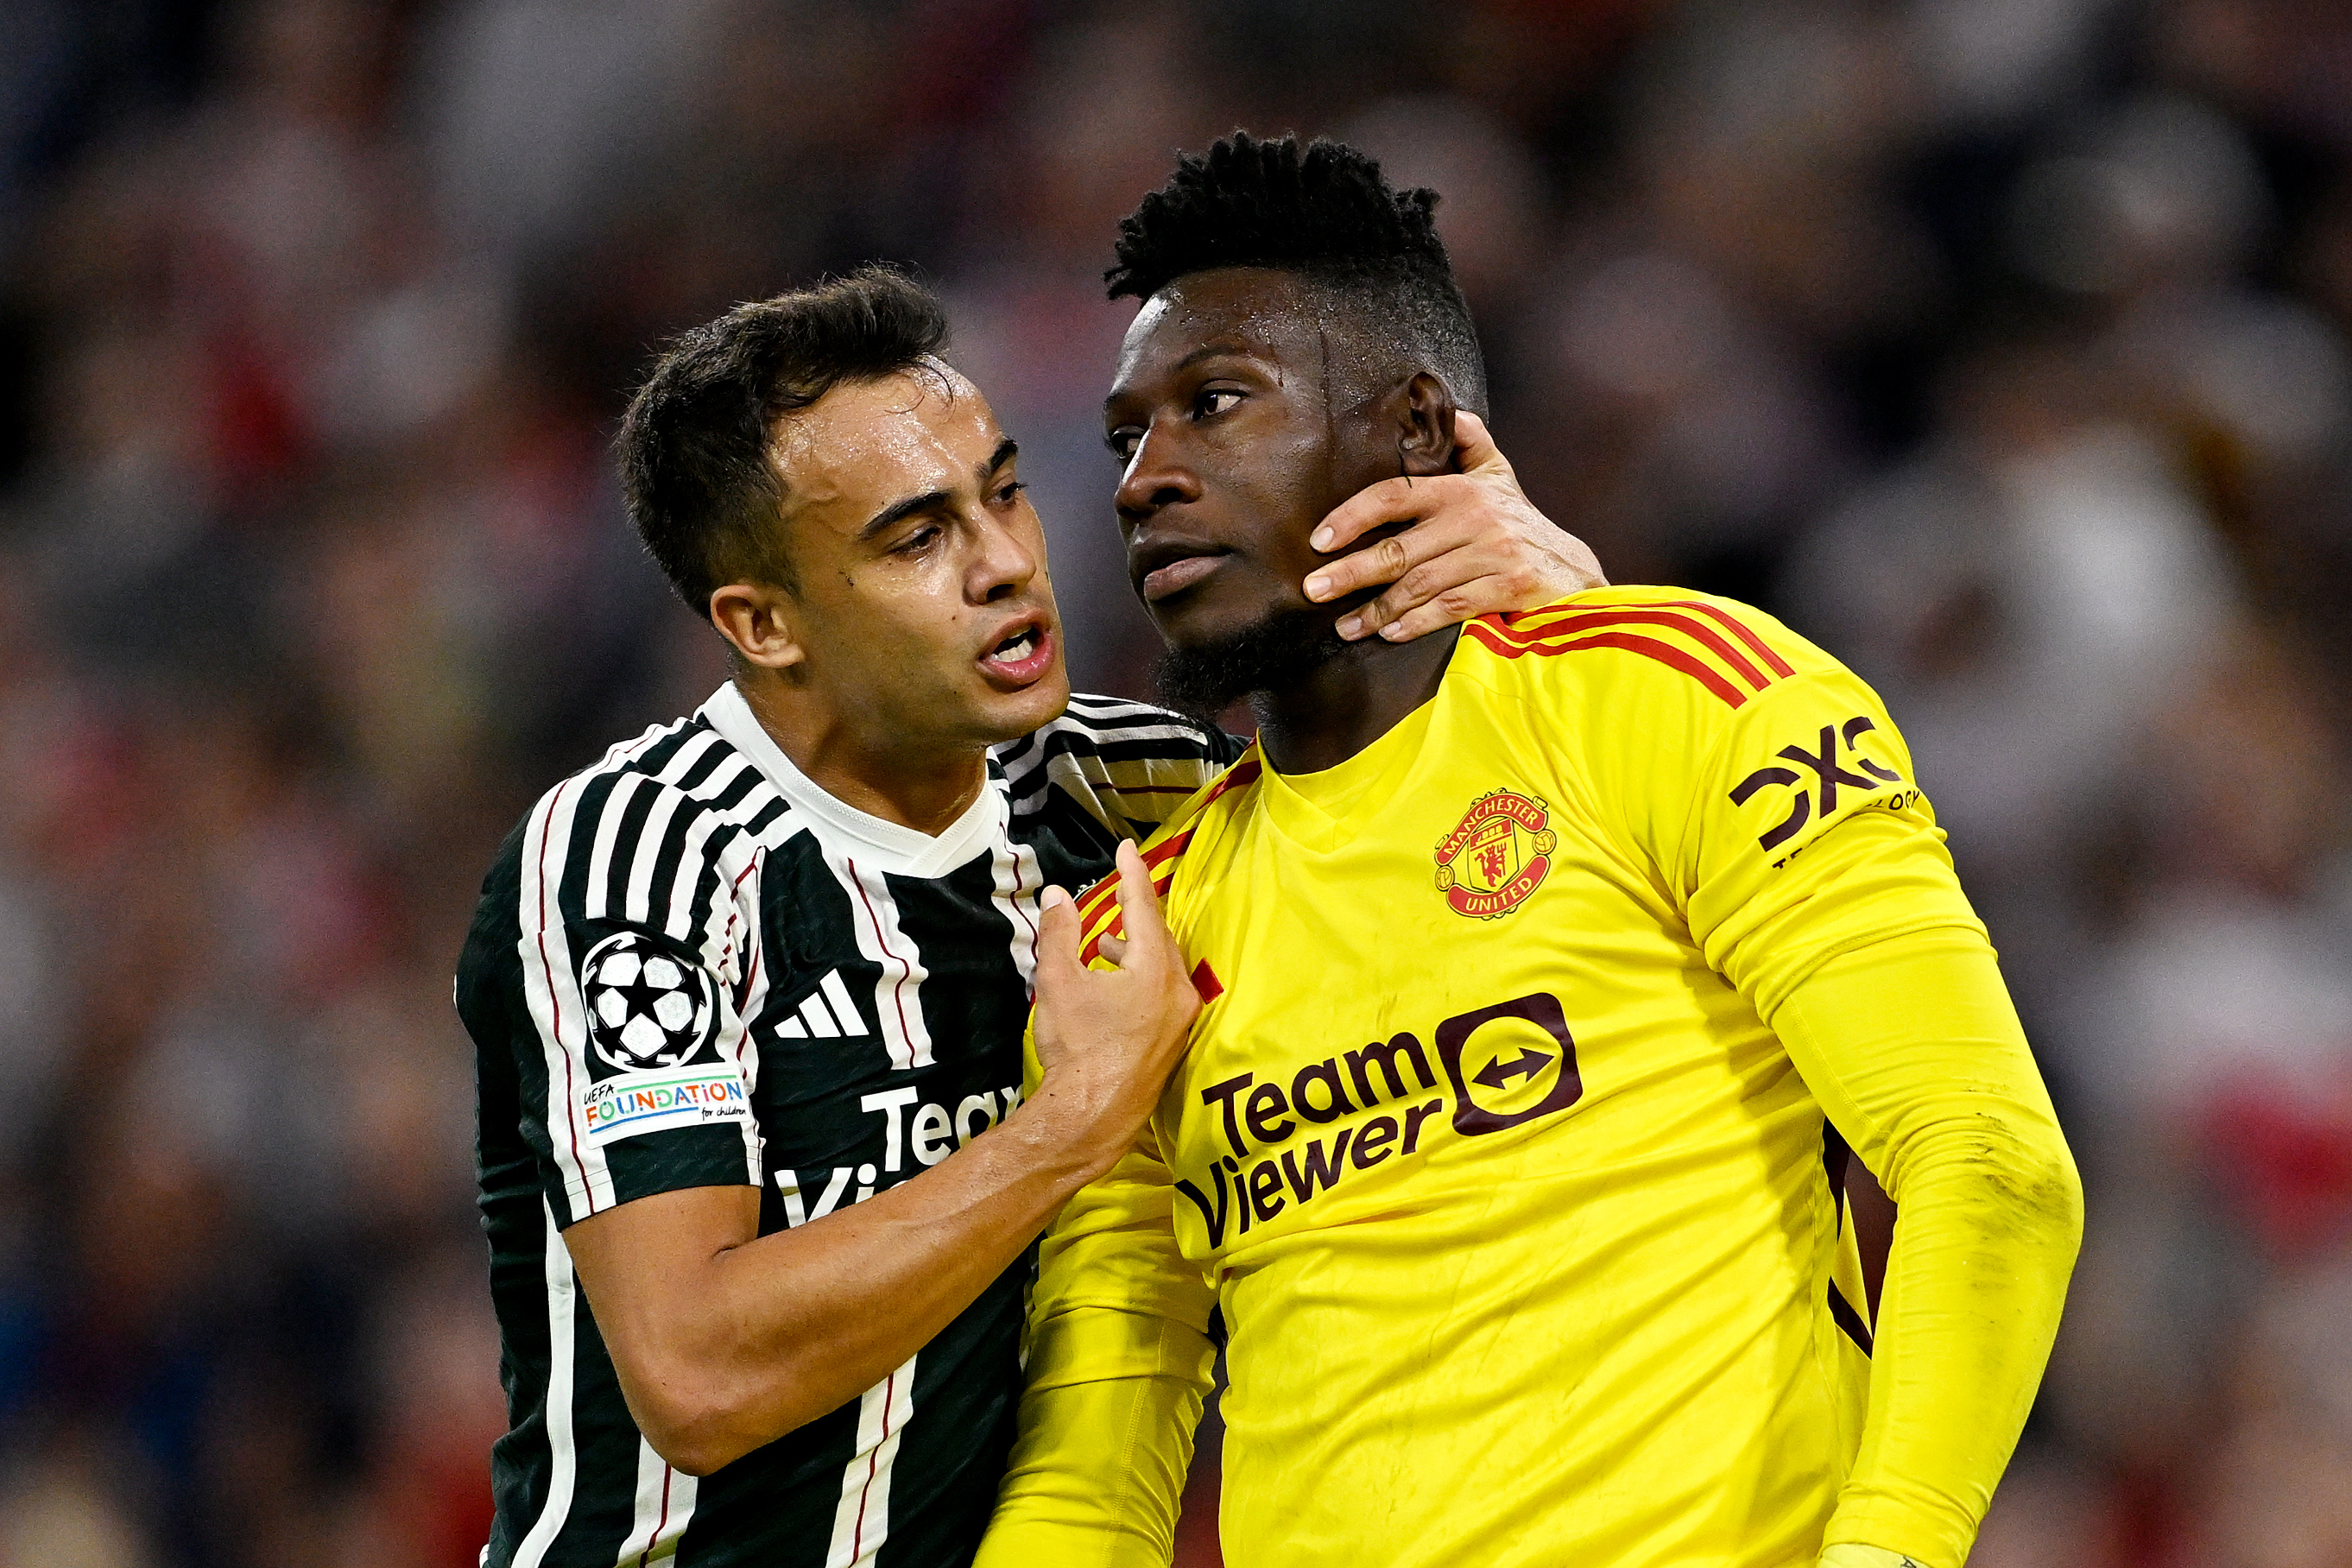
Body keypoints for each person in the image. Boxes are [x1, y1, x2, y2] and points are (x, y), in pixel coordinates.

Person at [978, 135, 2083, 1568]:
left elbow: (1986, 1160)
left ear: (1419, 433)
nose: (1143, 480)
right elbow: (1091, 1484)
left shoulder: (1680, 696)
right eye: (1128, 434)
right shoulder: (1138, 937)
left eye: (1215, 405)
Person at [454, 263, 1603, 1568]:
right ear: (762, 622)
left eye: (1003, 491)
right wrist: (1070, 1123)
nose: (1005, 563)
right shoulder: (634, 859)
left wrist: (1562, 605)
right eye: (916, 538)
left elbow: (1472, 855)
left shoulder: (1133, 795)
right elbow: (700, 1377)